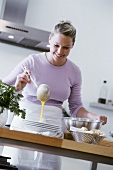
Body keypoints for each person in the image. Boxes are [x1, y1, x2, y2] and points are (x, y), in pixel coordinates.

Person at [2, 20, 107, 170]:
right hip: (23, 129)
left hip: (53, 133)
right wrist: (17, 87)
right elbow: (2, 89)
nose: (60, 51)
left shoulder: (74, 71)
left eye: (66, 47)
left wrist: (94, 117)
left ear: (72, 46)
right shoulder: (31, 62)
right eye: (56, 45)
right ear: (49, 40)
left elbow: (76, 107)